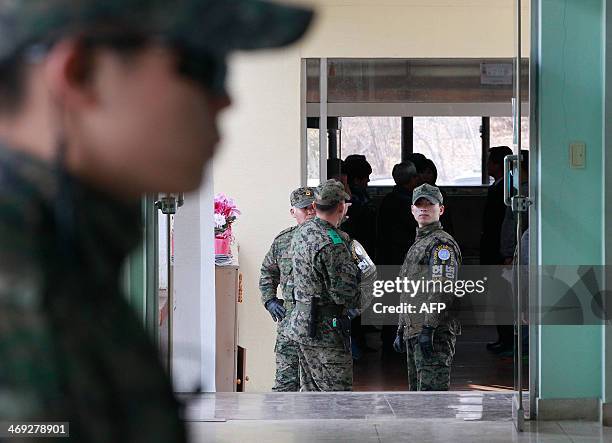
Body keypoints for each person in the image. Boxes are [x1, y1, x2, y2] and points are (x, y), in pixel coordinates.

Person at [0, 1, 313, 440]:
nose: (225, 99)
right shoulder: (21, 269)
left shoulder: (68, 247)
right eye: (201, 67)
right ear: (80, 71)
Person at [286, 179, 360, 391]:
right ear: (340, 207)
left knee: (310, 395)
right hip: (326, 331)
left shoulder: (302, 232)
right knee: (337, 398)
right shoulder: (333, 242)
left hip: (302, 325)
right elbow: (344, 293)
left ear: (315, 206)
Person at [393, 184, 462, 391]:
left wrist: (429, 327)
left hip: (433, 333)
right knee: (418, 397)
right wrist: (401, 328)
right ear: (412, 209)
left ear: (440, 210)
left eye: (429, 204)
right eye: (419, 204)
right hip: (415, 330)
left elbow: (442, 290)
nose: (424, 209)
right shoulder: (420, 243)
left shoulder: (441, 245)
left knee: (432, 400)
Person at [259, 187, 315, 391]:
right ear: (293, 212)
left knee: (320, 388)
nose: (310, 211)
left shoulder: (333, 238)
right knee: (285, 384)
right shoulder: (283, 241)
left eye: (313, 207)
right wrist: (270, 300)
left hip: (321, 324)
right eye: (304, 208)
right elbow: (268, 271)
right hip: (289, 322)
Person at [376, 161, 419, 354]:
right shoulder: (407, 204)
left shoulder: (388, 200)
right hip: (401, 259)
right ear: (412, 180)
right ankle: (398, 343)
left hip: (389, 259)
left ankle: (392, 342)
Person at [479, 146, 513, 353]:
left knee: (503, 298)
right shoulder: (499, 186)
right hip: (494, 250)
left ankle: (508, 339)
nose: (487, 165)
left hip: (498, 252)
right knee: (499, 297)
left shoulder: (506, 189)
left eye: (491, 161)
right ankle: (504, 337)